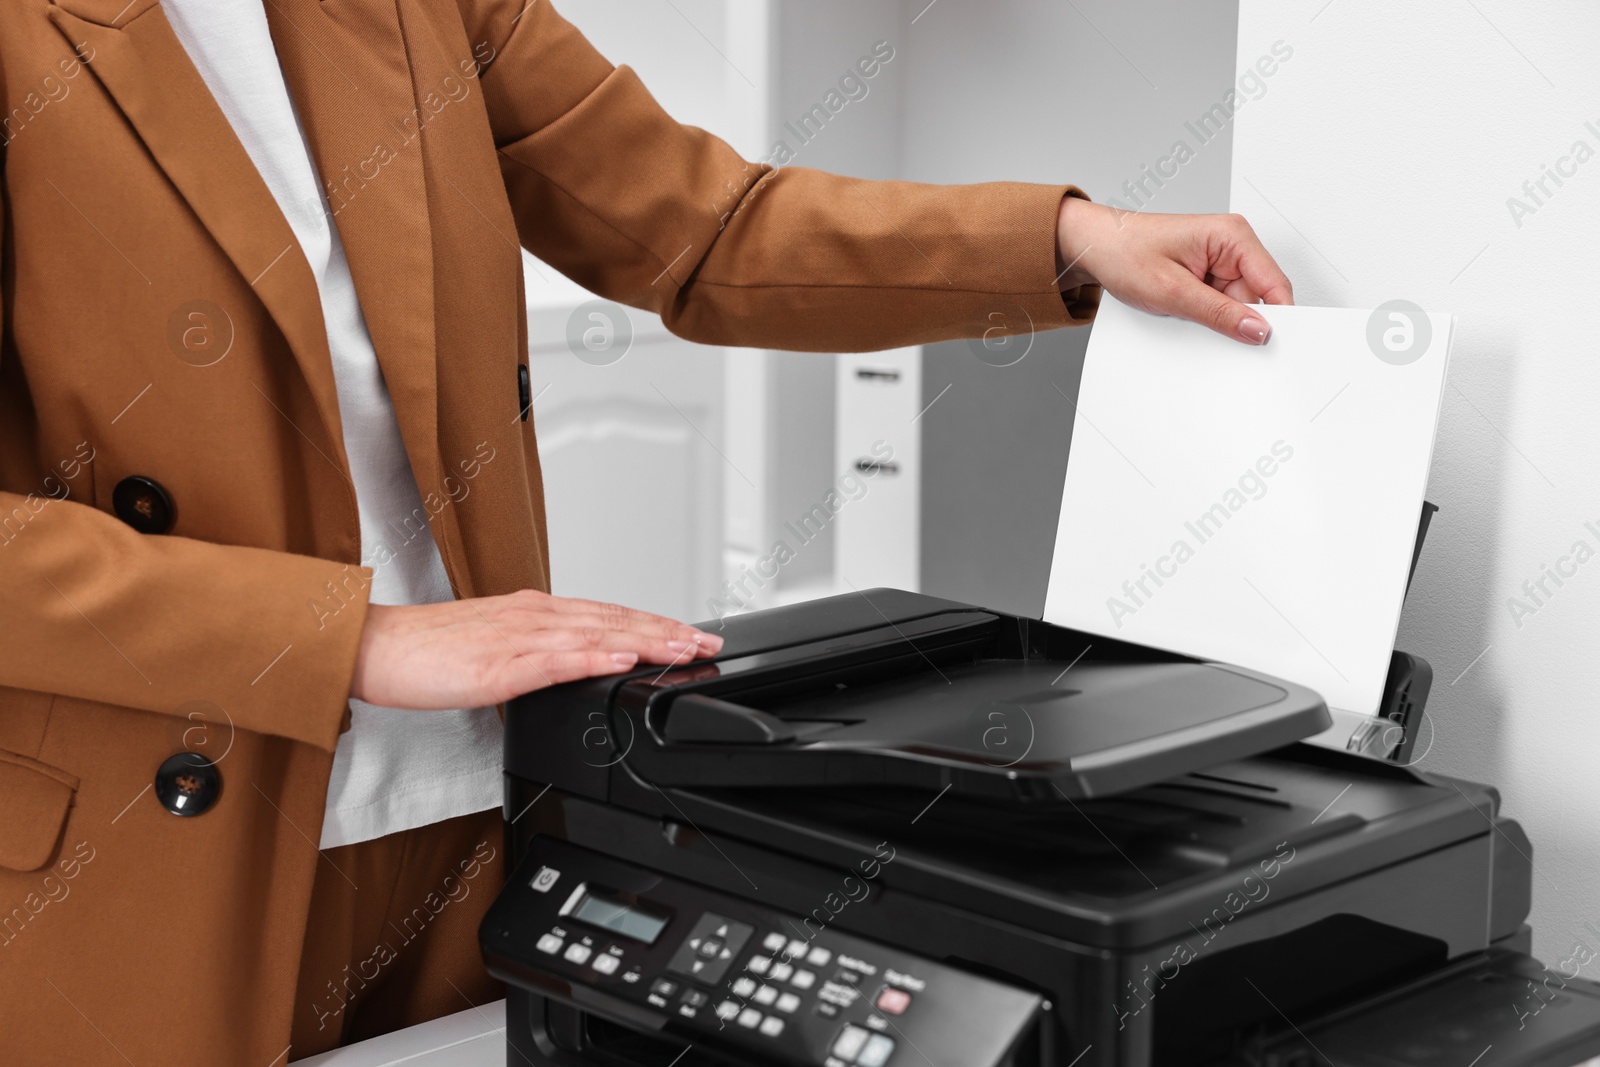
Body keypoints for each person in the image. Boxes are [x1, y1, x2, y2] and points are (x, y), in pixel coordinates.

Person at [0, 0, 1293, 1061]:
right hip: (150, 848)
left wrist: (1069, 243)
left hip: (468, 818)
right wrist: (353, 640)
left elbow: (706, 228)